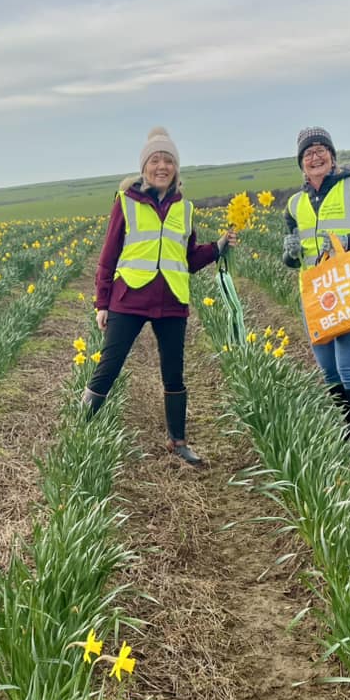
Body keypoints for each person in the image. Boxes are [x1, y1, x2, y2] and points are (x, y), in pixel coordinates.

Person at [82, 126, 236, 466]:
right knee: (109, 365)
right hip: (129, 296)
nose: (162, 166)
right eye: (155, 160)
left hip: (171, 300)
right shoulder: (126, 202)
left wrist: (218, 247)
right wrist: (101, 303)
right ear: (144, 167)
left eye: (168, 160)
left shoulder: (185, 208)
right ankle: (82, 430)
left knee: (174, 372)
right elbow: (108, 255)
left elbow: (188, 258)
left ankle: (178, 441)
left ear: (176, 168)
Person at [283, 127, 350, 461]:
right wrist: (289, 254)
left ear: (332, 155)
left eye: (320, 150)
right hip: (315, 294)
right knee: (328, 368)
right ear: (301, 162)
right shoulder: (294, 204)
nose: (315, 157)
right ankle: (349, 429)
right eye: (308, 153)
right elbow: (294, 255)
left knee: (349, 365)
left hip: (348, 287)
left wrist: (347, 242)